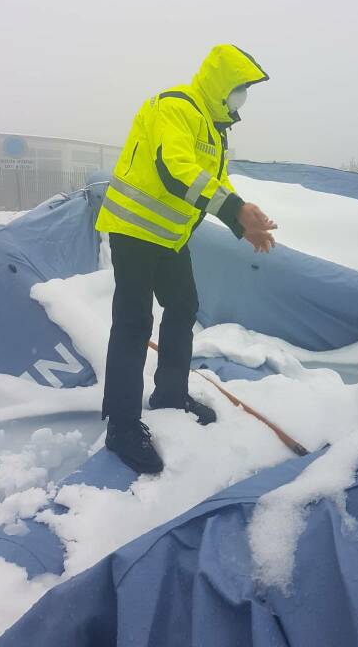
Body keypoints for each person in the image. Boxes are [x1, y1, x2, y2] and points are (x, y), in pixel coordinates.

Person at [95, 45, 277, 474]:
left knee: (183, 308)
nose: (242, 98)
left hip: (169, 238)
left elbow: (216, 182)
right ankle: (122, 426)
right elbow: (175, 170)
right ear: (221, 84)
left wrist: (242, 220)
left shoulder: (214, 131)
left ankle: (171, 394)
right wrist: (234, 210)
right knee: (134, 322)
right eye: (240, 88)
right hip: (134, 230)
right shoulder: (174, 107)